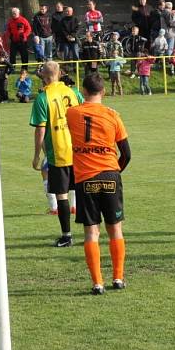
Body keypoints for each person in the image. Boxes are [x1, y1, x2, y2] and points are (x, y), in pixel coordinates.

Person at [65, 73, 131, 295]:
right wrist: (113, 171)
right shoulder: (113, 115)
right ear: (103, 92)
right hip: (110, 175)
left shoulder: (72, 113)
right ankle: (118, 278)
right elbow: (127, 153)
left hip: (86, 179)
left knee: (91, 233)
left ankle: (97, 283)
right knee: (115, 229)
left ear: (83, 91)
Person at [30, 61, 84, 247]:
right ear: (60, 73)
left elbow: (40, 130)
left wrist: (37, 155)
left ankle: (67, 236)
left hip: (58, 153)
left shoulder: (43, 97)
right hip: (79, 151)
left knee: (62, 195)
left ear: (44, 76)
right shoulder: (74, 92)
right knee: (83, 191)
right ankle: (91, 233)